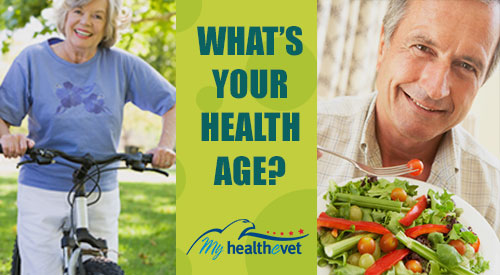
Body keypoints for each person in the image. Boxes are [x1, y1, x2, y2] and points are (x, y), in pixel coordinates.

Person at [0, 0, 176, 273]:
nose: (85, 22)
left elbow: (172, 102)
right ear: (65, 15)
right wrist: (7, 137)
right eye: (78, 11)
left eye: (97, 16)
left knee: (101, 266)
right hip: (43, 188)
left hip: (100, 190)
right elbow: (2, 115)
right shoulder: (33, 60)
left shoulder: (121, 64)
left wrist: (165, 146)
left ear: (107, 25)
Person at [317, 0, 500, 239]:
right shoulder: (303, 133)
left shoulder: (494, 197)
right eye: (422, 48)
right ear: (383, 46)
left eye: (466, 66)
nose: (436, 89)